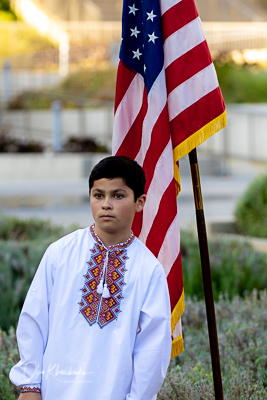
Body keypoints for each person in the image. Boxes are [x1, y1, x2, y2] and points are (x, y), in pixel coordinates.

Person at [10, 155, 172, 400]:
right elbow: (34, 319)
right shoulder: (61, 253)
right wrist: (30, 386)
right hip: (55, 390)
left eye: (118, 196)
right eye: (98, 195)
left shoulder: (149, 270)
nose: (106, 204)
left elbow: (153, 347)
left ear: (140, 202)